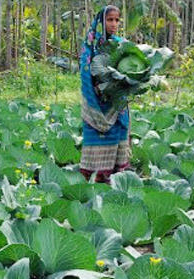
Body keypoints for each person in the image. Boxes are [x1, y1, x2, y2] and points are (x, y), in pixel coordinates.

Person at [79, 5, 131, 184]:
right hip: (97, 103)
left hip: (115, 104)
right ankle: (95, 177)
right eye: (110, 20)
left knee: (117, 136)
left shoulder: (121, 44)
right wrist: (99, 90)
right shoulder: (91, 45)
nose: (114, 24)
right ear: (101, 21)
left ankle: (115, 177)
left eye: (117, 20)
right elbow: (86, 73)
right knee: (96, 141)